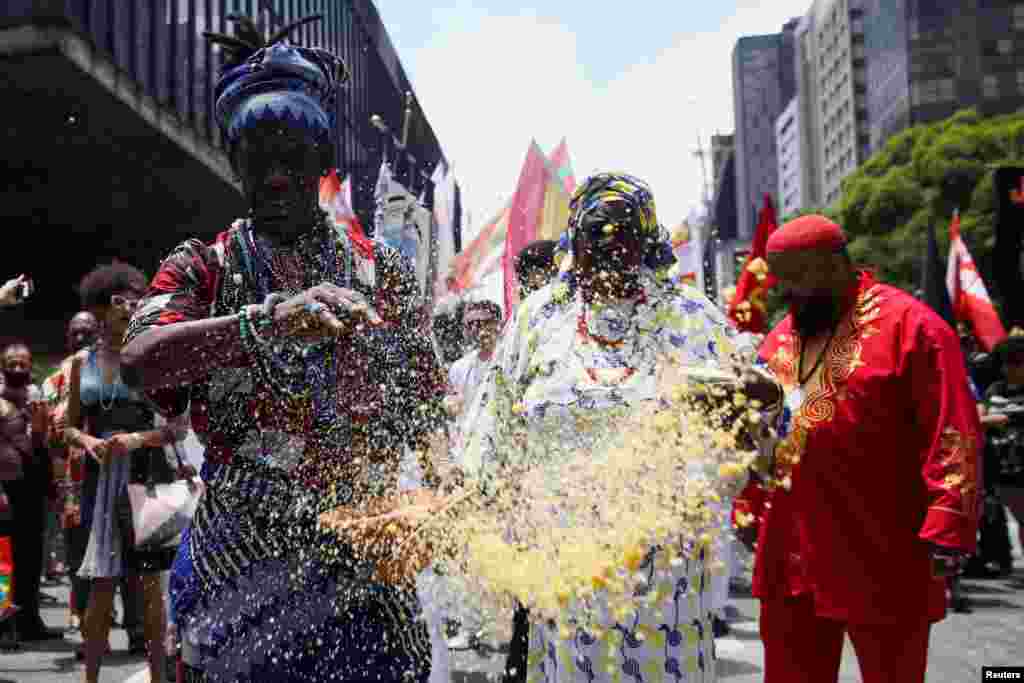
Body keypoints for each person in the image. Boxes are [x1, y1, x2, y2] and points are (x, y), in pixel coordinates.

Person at [120, 16, 447, 682]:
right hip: (242, 579)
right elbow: (140, 357)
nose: (274, 177)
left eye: (290, 156)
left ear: (323, 162)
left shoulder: (384, 271)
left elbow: (427, 404)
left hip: (367, 585)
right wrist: (260, 325)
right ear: (235, 163)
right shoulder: (204, 268)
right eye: (256, 158)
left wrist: (442, 501)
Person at [456, 173, 777, 683]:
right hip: (565, 564)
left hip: (665, 574)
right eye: (594, 230)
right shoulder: (540, 319)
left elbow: (750, 432)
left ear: (647, 239)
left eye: (623, 229)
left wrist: (758, 405)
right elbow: (491, 428)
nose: (608, 243)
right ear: (572, 240)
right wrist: (477, 514)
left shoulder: (690, 316)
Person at [756, 214, 981, 683]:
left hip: (882, 544)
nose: (790, 290)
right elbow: (757, 434)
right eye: (783, 279)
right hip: (792, 545)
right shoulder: (779, 337)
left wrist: (949, 519)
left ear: (837, 263)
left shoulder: (914, 329)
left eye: (800, 276)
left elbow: (952, 428)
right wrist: (748, 505)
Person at [53, 264, 186, 683]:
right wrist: (87, 442)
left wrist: (136, 439)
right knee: (101, 586)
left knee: (150, 587)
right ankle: (90, 678)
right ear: (100, 308)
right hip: (101, 481)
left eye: (135, 300)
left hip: (147, 476)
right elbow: (68, 425)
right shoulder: (82, 364)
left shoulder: (154, 357)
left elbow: (178, 428)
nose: (127, 308)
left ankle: (159, 677)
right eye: (117, 302)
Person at [42, 311, 100, 633]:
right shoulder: (57, 378)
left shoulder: (111, 367)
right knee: (78, 545)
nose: (81, 337)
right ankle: (79, 609)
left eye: (87, 331)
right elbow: (52, 431)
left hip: (109, 465)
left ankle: (106, 613)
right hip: (73, 475)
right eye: (75, 332)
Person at [0, 342, 62, 643]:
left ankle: (29, 620)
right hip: (4, 491)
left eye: (22, 363)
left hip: (32, 489)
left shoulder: (38, 400)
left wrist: (39, 430)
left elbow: (43, 447)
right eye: (11, 363)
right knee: (3, 559)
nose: (17, 368)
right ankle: (2, 624)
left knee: (31, 559)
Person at [980, 327, 1024, 569]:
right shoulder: (995, 390)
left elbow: (990, 419)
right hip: (1000, 471)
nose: (1011, 369)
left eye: (1017, 364)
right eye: (1007, 364)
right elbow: (979, 417)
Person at [444, 300, 502, 422]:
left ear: (498, 324)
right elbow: (451, 400)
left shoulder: (510, 356)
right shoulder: (459, 368)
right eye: (471, 324)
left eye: (483, 322)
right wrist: (449, 404)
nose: (477, 329)